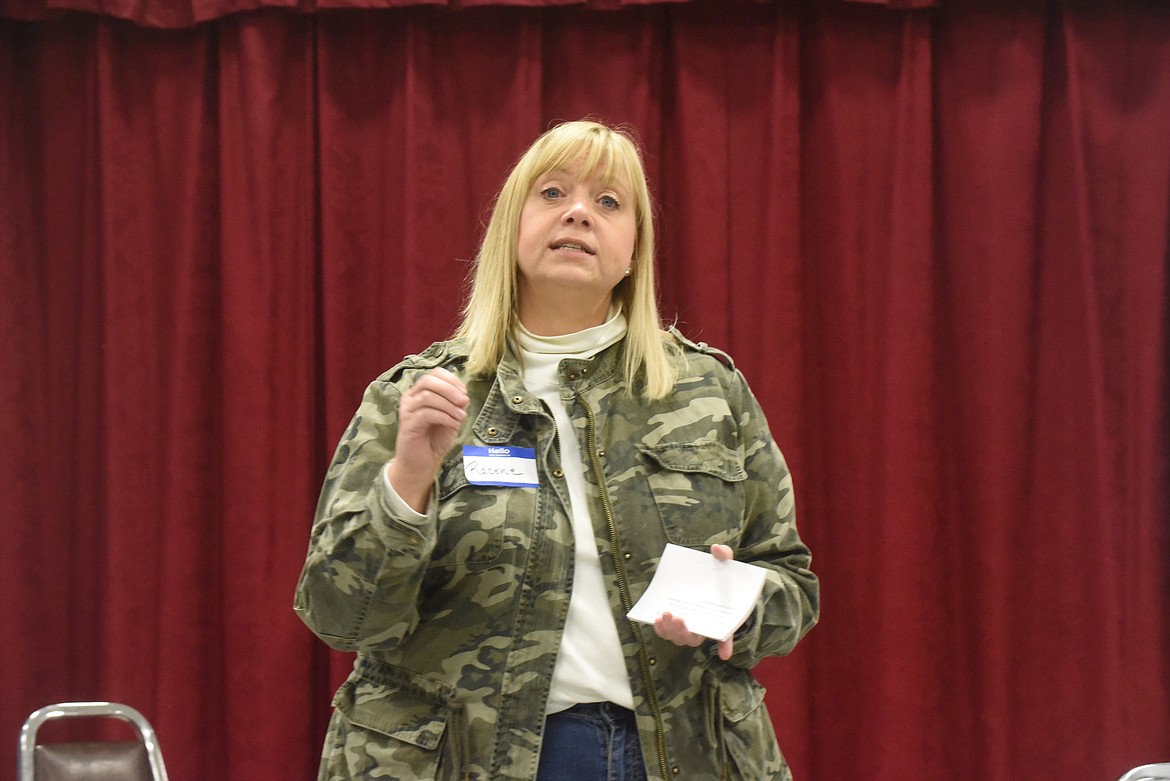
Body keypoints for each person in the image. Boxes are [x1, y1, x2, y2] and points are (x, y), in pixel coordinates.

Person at [294, 119, 819, 781]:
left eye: (608, 202)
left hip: (679, 756)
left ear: (633, 252)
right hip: (466, 761)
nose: (578, 211)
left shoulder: (709, 392)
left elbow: (793, 585)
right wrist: (408, 481)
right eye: (552, 193)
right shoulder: (420, 395)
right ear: (512, 230)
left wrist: (733, 605)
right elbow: (343, 615)